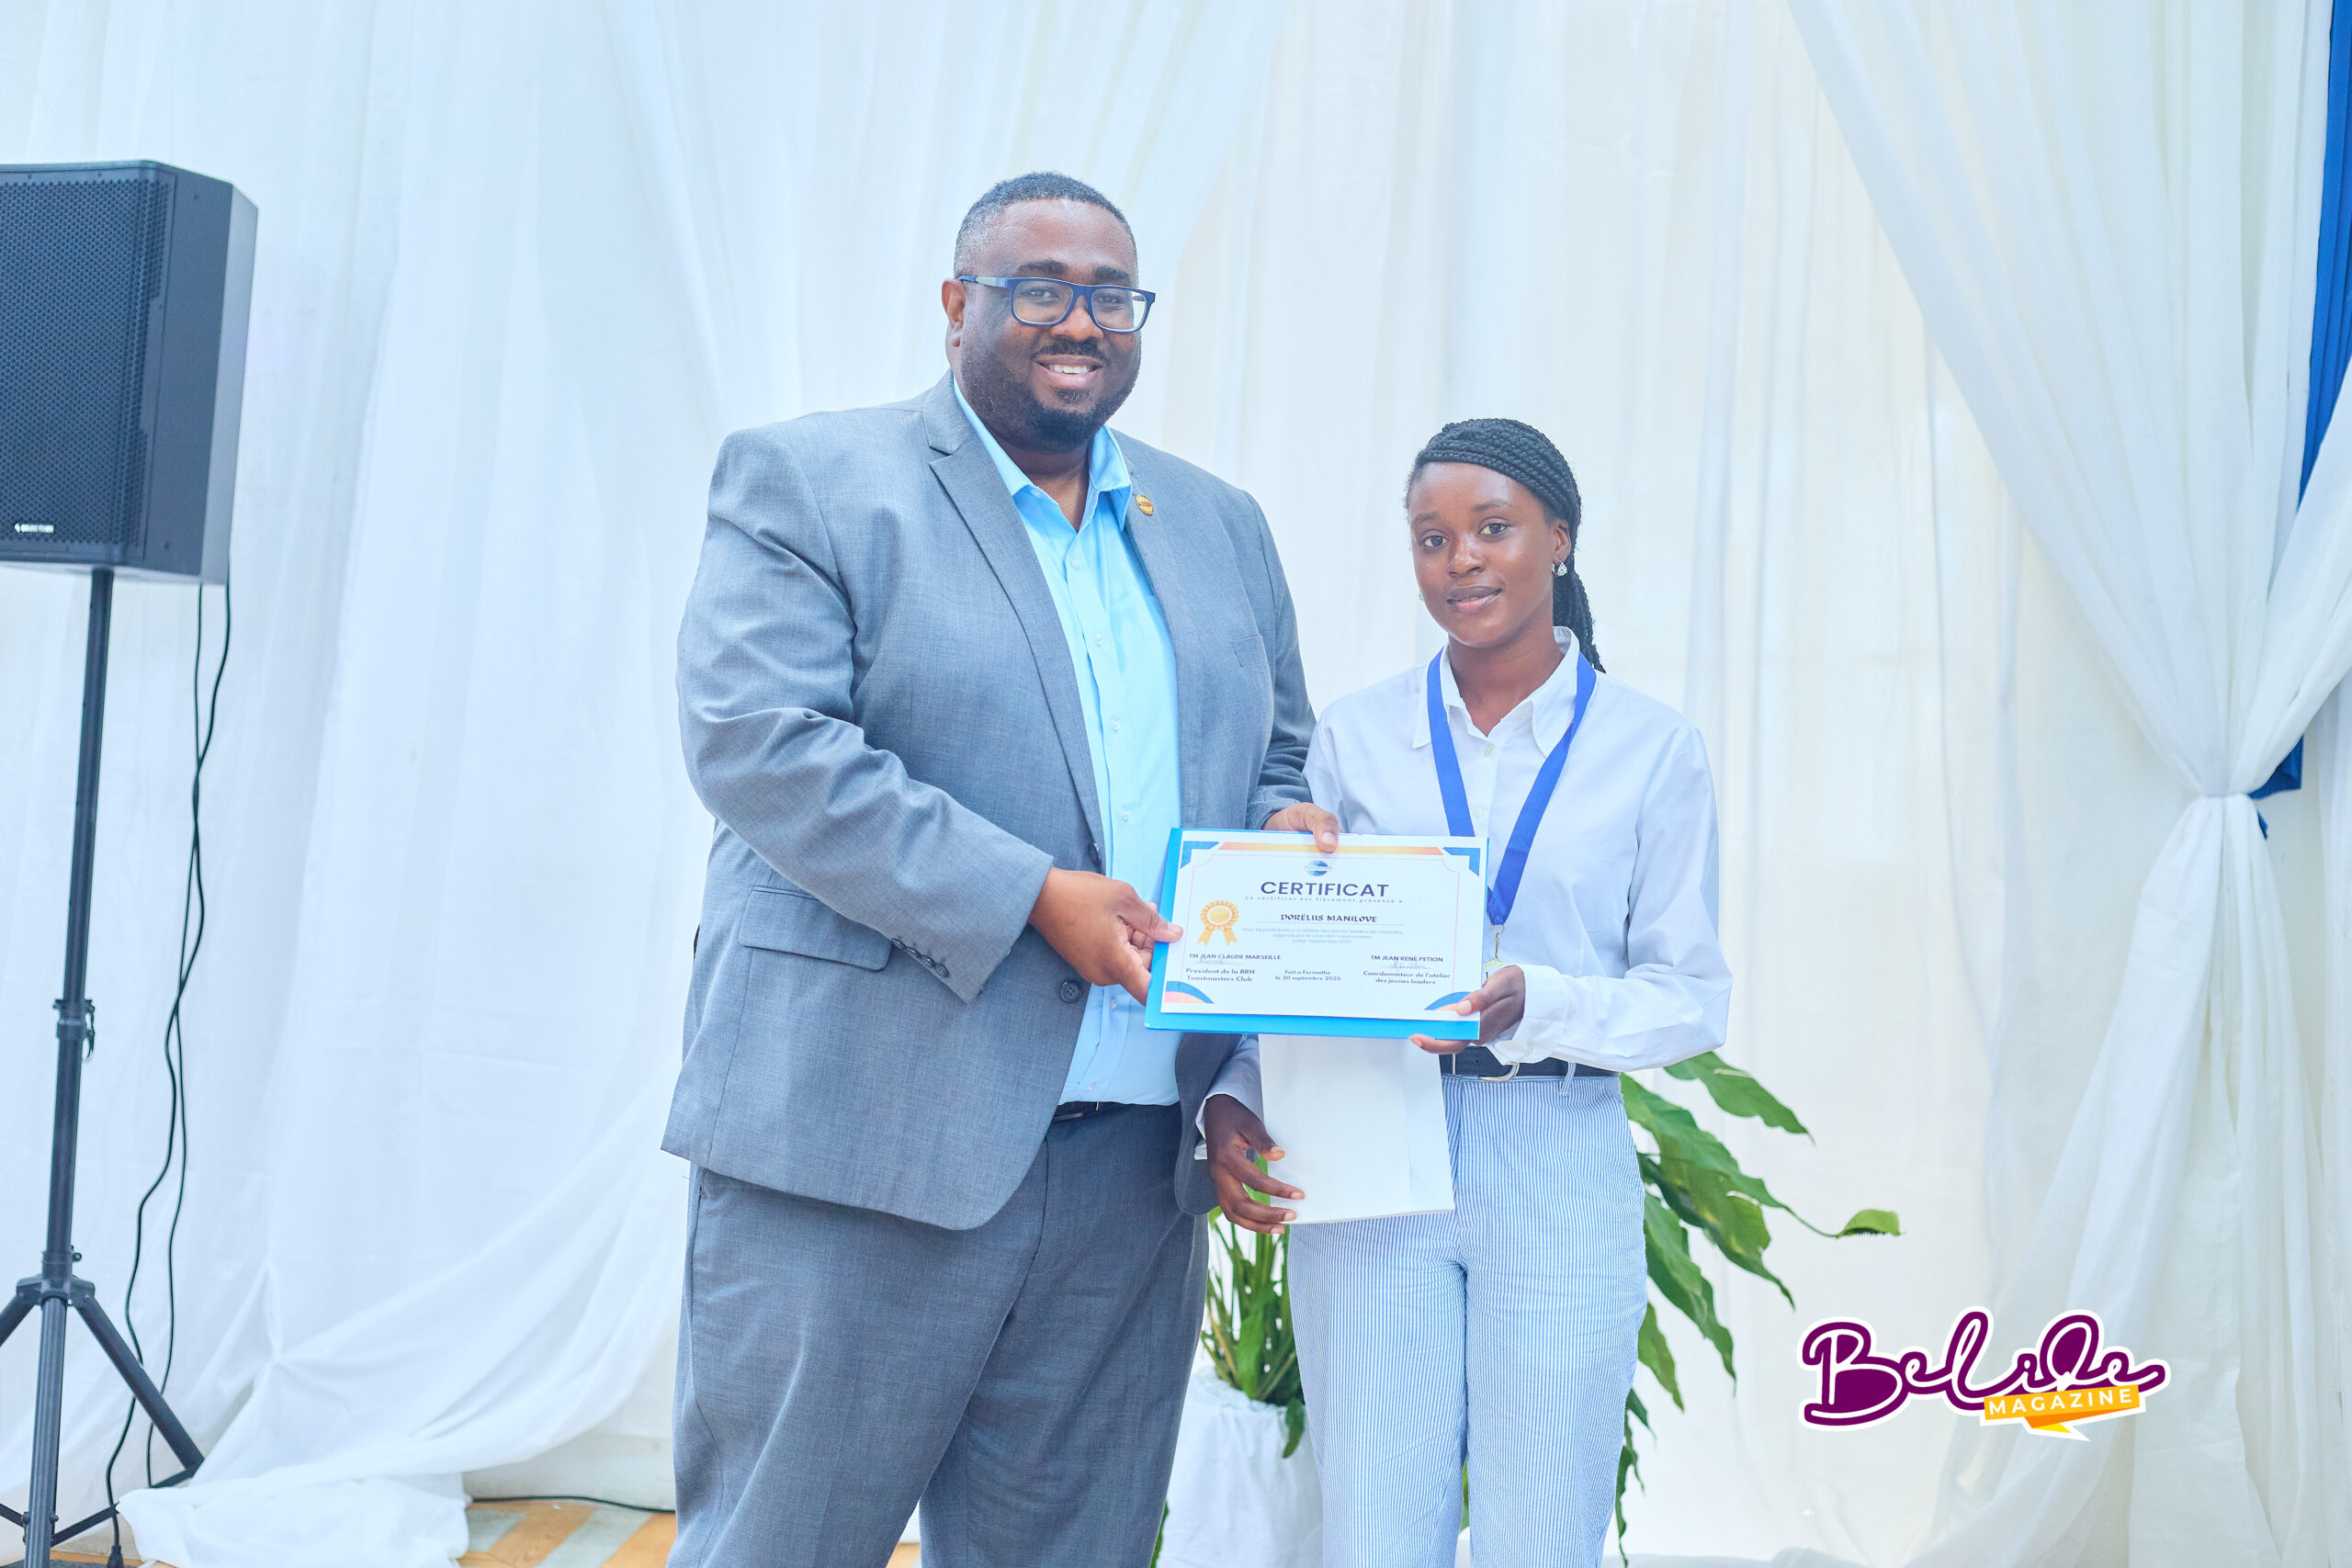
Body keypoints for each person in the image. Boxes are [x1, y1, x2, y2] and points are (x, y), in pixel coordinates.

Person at [666, 171, 1337, 1568]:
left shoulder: (1220, 524)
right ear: (957, 303)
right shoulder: (814, 479)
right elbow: (762, 744)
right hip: (863, 1148)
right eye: (1040, 287)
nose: (1079, 320)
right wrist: (1033, 895)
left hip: (1127, 1177)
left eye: (1111, 294)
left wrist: (1284, 837)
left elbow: (1279, 755)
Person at [1201, 419, 1732, 1567]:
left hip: (1554, 1150)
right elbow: (1301, 966)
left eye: (1493, 528)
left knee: (1542, 1531)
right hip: (1366, 1140)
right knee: (1373, 1533)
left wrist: (1538, 1002)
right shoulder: (1355, 737)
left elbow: (1690, 996)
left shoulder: (1651, 749)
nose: (1461, 561)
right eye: (1431, 538)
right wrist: (1234, 1095)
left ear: (1561, 539)